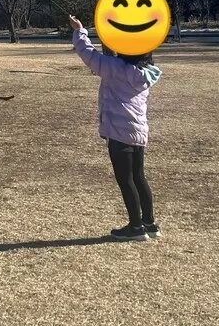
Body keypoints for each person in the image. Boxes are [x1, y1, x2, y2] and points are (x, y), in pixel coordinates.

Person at [69, 15, 162, 242]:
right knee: (139, 177)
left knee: (125, 179)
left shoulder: (115, 69)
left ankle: (136, 227)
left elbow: (88, 54)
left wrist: (80, 30)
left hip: (119, 133)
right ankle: (150, 223)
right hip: (138, 131)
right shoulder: (145, 73)